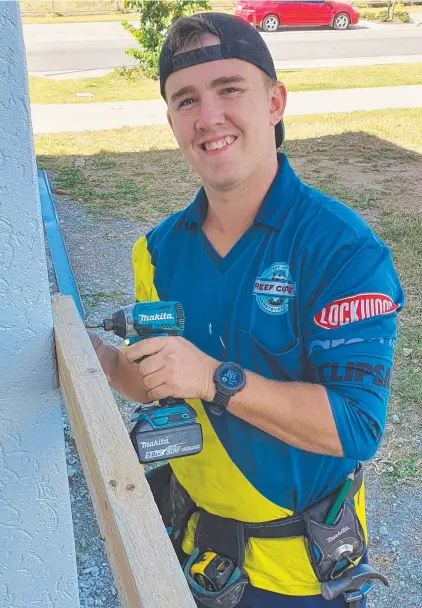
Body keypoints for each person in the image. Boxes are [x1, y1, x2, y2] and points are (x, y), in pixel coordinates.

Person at [90, 12, 404, 608]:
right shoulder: (157, 251)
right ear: (171, 120)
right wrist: (104, 363)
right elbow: (154, 382)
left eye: (229, 89)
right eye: (187, 100)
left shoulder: (341, 249)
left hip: (299, 579)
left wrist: (213, 378)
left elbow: (356, 427)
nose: (209, 118)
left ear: (274, 102)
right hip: (197, 555)